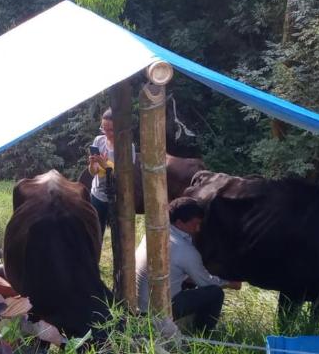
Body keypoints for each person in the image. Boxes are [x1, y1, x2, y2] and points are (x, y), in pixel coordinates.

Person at [135, 197, 242, 332]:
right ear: (179, 222)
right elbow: (206, 282)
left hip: (139, 303)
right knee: (215, 293)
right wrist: (229, 283)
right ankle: (203, 333)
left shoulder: (154, 234)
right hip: (160, 310)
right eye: (195, 224)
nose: (197, 229)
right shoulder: (185, 249)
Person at [87, 108, 135, 237]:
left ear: (119, 128)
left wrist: (106, 165)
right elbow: (94, 172)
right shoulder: (98, 141)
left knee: (119, 235)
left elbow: (126, 178)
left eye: (111, 130)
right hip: (97, 195)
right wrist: (92, 163)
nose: (107, 133)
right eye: (104, 129)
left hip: (118, 197)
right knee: (96, 233)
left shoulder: (127, 147)